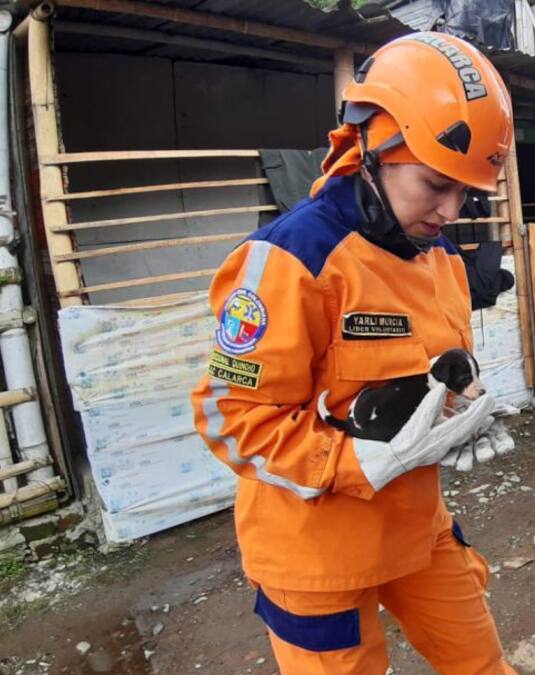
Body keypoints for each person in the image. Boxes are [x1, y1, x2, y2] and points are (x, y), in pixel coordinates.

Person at [191, 33, 518, 675]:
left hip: (417, 529)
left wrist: (461, 406)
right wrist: (355, 462)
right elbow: (230, 420)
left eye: (467, 194)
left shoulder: (440, 256)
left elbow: (439, 368)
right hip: (313, 552)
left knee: (482, 666)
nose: (451, 212)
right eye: (435, 185)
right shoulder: (290, 261)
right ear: (376, 146)